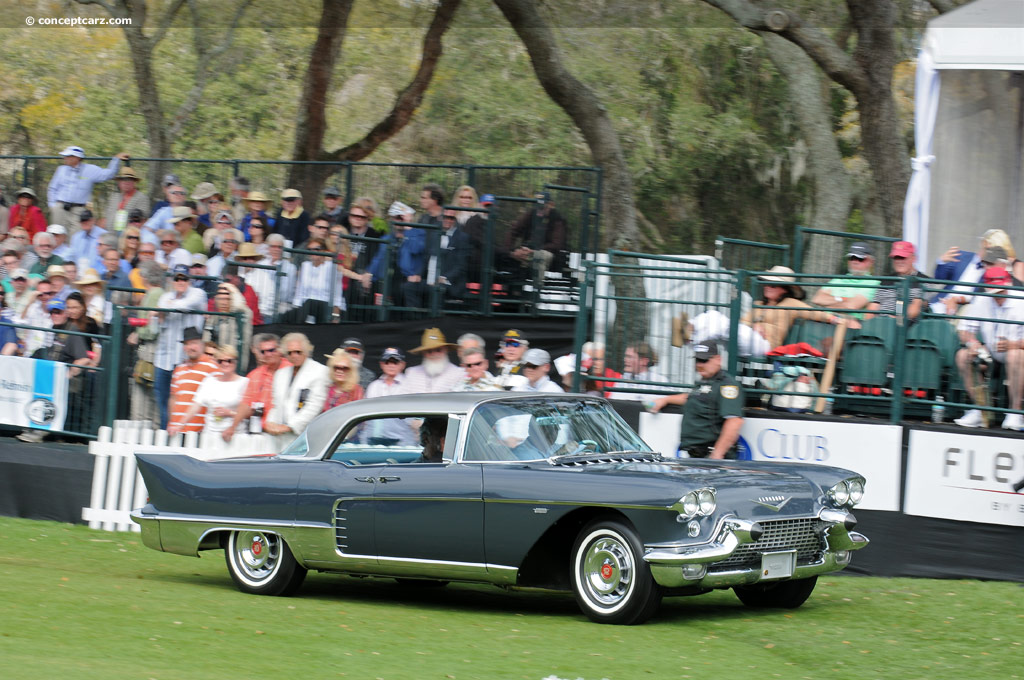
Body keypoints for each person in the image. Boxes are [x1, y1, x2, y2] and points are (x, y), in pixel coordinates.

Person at [953, 266, 1024, 431]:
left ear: (1008, 285)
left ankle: (1015, 413)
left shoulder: (1022, 301)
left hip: (1016, 352)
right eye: (995, 291)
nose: (998, 295)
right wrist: (972, 343)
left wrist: (1013, 344)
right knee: (963, 356)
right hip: (991, 353)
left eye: (1001, 291)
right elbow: (964, 330)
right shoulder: (981, 299)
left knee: (1015, 355)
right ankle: (981, 410)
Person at [15, 298, 93, 442]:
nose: (55, 315)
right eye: (53, 312)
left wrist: (68, 374)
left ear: (66, 313)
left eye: (59, 312)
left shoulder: (72, 331)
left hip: (65, 381)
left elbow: (84, 359)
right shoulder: (55, 329)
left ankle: (39, 429)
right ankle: (31, 424)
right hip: (50, 376)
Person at [650, 340, 744, 459]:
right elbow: (691, 398)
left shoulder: (727, 386)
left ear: (718, 359)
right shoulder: (705, 382)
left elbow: (734, 421)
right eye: (697, 360)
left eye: (704, 360)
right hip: (697, 456)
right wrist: (666, 399)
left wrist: (717, 454)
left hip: (712, 457)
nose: (699, 364)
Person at [154, 265, 208, 429]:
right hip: (163, 357)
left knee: (185, 402)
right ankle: (166, 437)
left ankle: (181, 437)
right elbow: (156, 324)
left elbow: (183, 305)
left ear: (189, 280)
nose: (180, 281)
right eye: (177, 278)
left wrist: (163, 309)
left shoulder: (198, 293)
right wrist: (161, 313)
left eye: (184, 278)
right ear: (172, 280)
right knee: (163, 403)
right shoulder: (166, 296)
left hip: (186, 359)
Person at [168, 344, 248, 445]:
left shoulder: (244, 382)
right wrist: (180, 424)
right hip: (210, 436)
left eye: (229, 360)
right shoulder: (209, 381)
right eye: (220, 361)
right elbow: (195, 405)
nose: (225, 364)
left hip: (234, 437)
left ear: (235, 362)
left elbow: (249, 414)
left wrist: (229, 413)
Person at [264, 333, 329, 452]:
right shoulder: (280, 374)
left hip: (305, 438)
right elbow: (275, 404)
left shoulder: (320, 371)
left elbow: (314, 406)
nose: (294, 355)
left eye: (298, 352)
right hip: (279, 439)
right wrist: (270, 422)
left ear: (306, 351)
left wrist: (290, 426)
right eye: (290, 352)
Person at [223, 333, 291, 442]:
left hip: (288, 432)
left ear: (280, 350)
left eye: (271, 350)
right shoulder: (255, 375)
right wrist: (232, 427)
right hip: (262, 433)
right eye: (263, 351)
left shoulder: (292, 370)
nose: (267, 354)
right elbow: (246, 404)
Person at [47, 145, 129, 234]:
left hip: (78, 210)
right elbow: (52, 188)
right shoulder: (61, 169)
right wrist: (52, 206)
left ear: (77, 158)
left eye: (68, 156)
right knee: (57, 235)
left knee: (76, 236)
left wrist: (116, 159)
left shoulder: (90, 170)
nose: (65, 158)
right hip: (60, 208)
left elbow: (108, 174)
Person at [165, 327, 221, 435]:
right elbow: (173, 398)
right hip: (176, 430)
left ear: (202, 345)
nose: (190, 347)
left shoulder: (213, 367)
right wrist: (172, 422)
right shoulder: (179, 369)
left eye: (193, 343)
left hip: (198, 433)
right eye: (186, 344)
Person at [505, 190, 567, 285]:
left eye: (543, 207)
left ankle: (536, 290)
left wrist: (534, 251)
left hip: (548, 254)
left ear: (551, 204)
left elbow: (556, 245)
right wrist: (511, 251)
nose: (540, 210)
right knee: (513, 256)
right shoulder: (531, 214)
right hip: (528, 251)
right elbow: (514, 230)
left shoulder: (557, 219)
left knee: (539, 257)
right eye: (538, 207)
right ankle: (515, 291)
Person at [810, 241, 881, 318]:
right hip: (826, 322)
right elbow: (817, 299)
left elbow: (852, 306)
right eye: (852, 258)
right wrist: (843, 299)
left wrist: (829, 305)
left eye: (860, 259)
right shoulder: (838, 279)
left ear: (871, 262)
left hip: (851, 326)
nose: (855, 261)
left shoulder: (874, 283)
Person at [362, 347, 417, 446]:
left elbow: (415, 419)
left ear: (402, 364)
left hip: (401, 442)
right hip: (373, 441)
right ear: (381, 364)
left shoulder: (411, 386)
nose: (391, 365)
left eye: (395, 362)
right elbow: (365, 418)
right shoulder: (373, 386)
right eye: (387, 362)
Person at [866, 241, 924, 321]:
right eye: (896, 257)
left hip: (906, 328)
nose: (899, 261)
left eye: (903, 257)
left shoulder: (924, 281)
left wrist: (894, 321)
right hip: (880, 325)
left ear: (913, 258)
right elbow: (873, 308)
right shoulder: (886, 280)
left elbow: (913, 311)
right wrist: (867, 327)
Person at [290, 238, 344, 323]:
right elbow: (299, 293)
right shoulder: (305, 266)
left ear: (323, 251)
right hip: (305, 312)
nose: (313, 252)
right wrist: (296, 310)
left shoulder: (332, 267)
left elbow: (337, 295)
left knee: (311, 303)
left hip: (324, 311)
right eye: (310, 249)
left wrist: (335, 316)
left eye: (316, 249)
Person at [203, 282, 254, 371]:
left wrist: (232, 289)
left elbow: (239, 305)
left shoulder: (243, 314)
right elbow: (206, 342)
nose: (224, 302)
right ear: (216, 300)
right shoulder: (213, 318)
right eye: (221, 299)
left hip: (236, 368)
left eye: (227, 299)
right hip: (218, 366)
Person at [403, 327, 465, 394]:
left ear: (446, 350)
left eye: (438, 350)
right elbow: (404, 398)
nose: (434, 354)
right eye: (429, 351)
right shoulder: (412, 373)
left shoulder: (458, 373)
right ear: (423, 353)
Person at [437, 208, 471, 301]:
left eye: (451, 218)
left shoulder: (463, 238)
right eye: (445, 217)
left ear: (455, 220)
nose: (448, 220)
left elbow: (461, 266)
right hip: (433, 280)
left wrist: (443, 278)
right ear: (440, 218)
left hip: (452, 283)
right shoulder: (434, 234)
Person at [103, 167, 150, 233]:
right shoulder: (114, 197)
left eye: (129, 179)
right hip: (109, 234)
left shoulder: (141, 198)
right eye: (123, 179)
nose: (126, 182)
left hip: (128, 237)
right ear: (119, 182)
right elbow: (105, 219)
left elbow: (143, 222)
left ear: (134, 182)